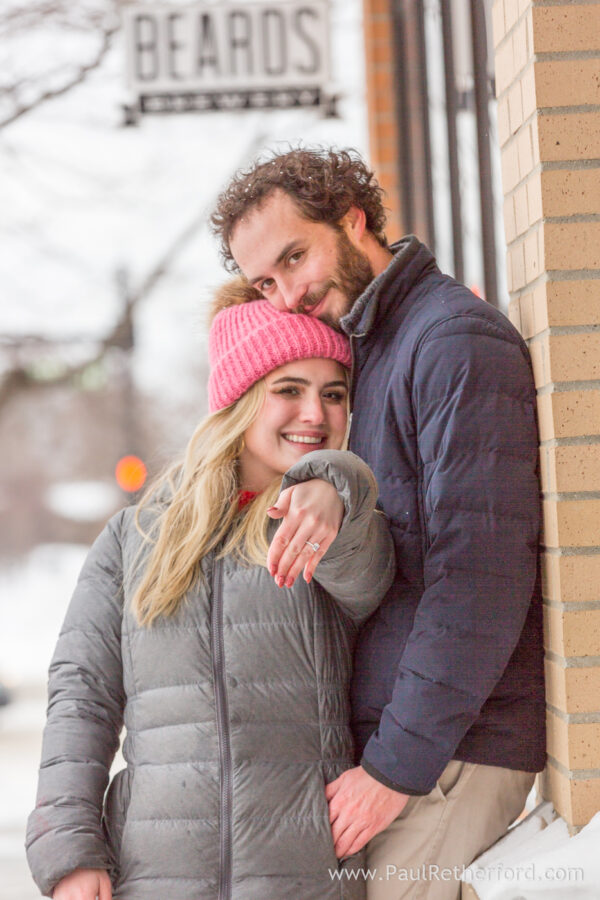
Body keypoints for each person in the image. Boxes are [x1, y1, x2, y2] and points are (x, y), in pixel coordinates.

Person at [210, 147, 546, 900]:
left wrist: (396, 768)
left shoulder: (452, 341)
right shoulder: (372, 349)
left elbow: (479, 578)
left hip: (454, 752)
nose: (288, 294)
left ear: (352, 218)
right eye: (265, 282)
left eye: (295, 257)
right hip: (414, 746)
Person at [25, 291, 396, 900]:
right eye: (289, 389)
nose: (315, 412)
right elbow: (81, 698)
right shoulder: (133, 538)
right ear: (239, 399)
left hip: (302, 877)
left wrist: (338, 482)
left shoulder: (331, 531)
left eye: (334, 394)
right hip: (151, 876)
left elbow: (368, 574)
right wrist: (69, 851)